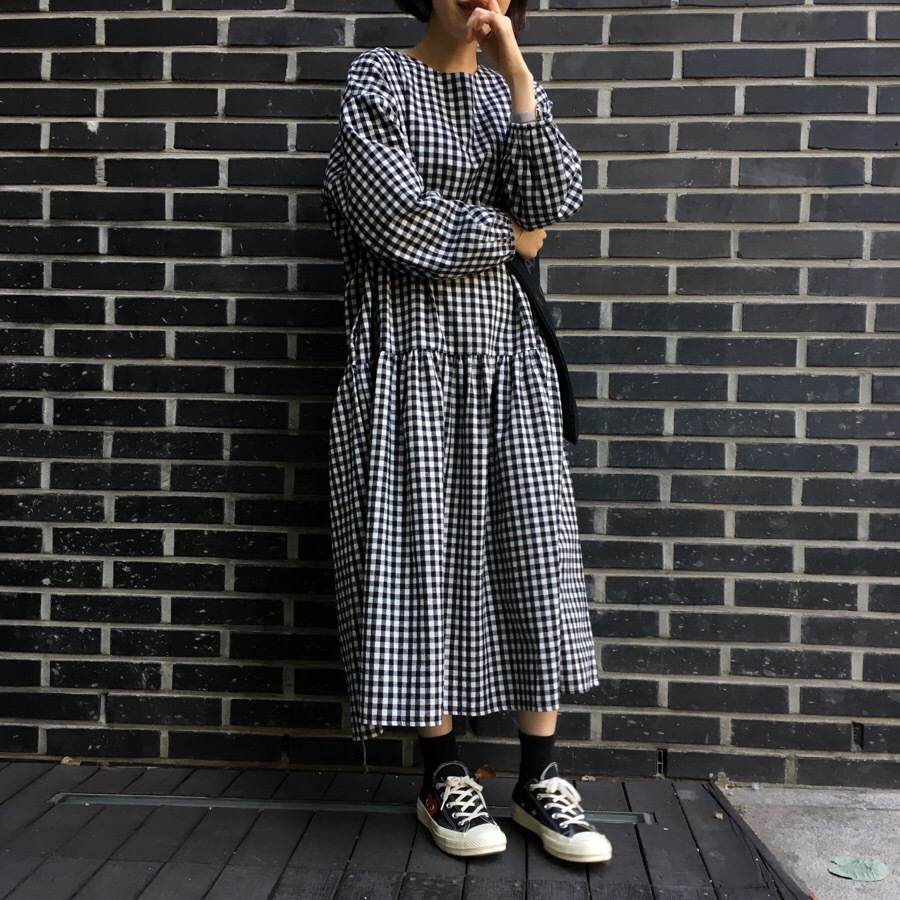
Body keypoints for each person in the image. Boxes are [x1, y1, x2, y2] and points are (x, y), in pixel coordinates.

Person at [320, 0, 611, 864]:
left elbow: (554, 199)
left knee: (535, 553)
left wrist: (519, 77)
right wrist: (509, 235)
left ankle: (540, 777)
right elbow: (394, 216)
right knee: (420, 560)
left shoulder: (510, 93)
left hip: (508, 359)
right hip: (406, 361)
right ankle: (442, 773)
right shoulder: (380, 79)